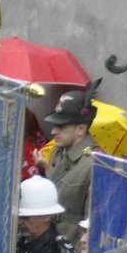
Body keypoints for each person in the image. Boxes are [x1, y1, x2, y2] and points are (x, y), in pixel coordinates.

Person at [35, 89, 101, 241]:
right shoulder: (57, 152)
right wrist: (44, 171)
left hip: (71, 249)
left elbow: (91, 221)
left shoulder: (95, 164)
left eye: (61, 126)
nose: (53, 131)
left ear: (80, 129)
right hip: (48, 242)